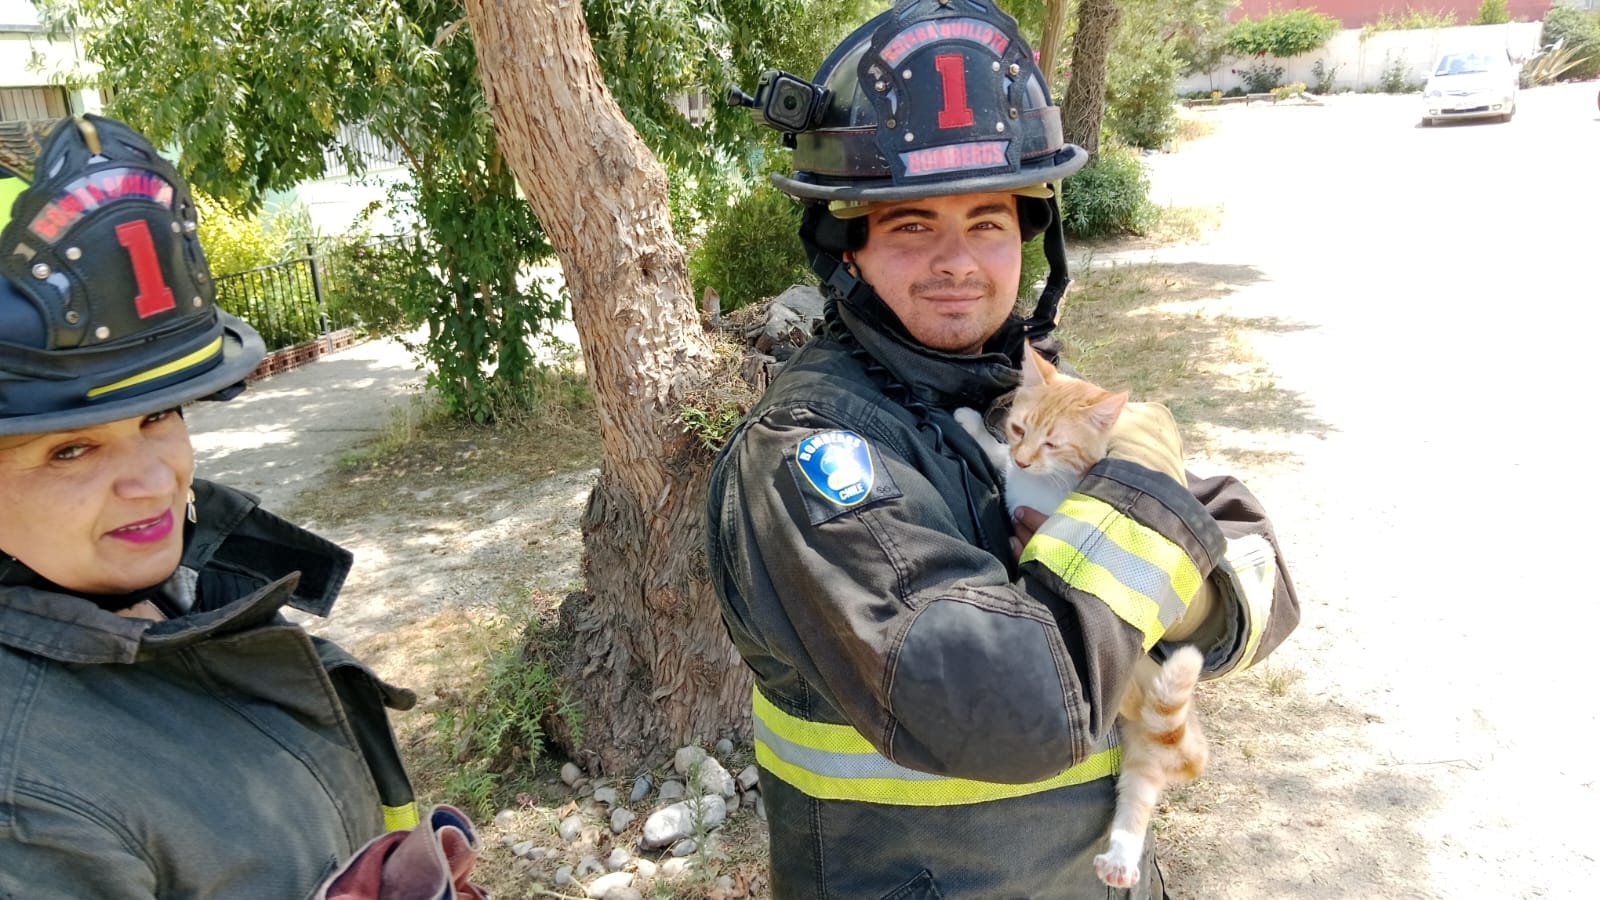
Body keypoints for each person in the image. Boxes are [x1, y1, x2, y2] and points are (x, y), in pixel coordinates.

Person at [706, 2, 1301, 897]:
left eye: (988, 221)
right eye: (911, 225)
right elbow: (1024, 708)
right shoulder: (813, 455)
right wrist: (1142, 507)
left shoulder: (1016, 392)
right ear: (850, 250)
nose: (960, 262)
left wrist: (1180, 600)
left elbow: (1265, 578)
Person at [0, 114, 481, 899]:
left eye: (160, 416)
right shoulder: (23, 810)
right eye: (71, 450)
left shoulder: (184, 588)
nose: (154, 482)